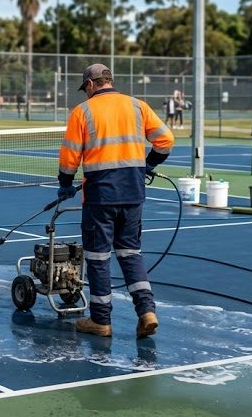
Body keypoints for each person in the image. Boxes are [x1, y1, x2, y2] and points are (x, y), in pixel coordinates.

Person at [56, 63, 175, 339]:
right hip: (133, 193)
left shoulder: (82, 112)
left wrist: (64, 185)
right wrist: (147, 166)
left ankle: (100, 321)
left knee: (98, 258)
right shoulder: (137, 106)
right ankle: (147, 312)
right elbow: (165, 141)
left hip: (100, 197)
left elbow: (70, 156)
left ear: (89, 84)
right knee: (130, 253)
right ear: (109, 80)